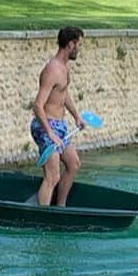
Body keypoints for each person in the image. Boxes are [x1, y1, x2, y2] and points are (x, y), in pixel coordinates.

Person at [30, 26, 86, 207]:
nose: (79, 49)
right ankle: (42, 218)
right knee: (52, 176)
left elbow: (63, 93)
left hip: (60, 126)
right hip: (45, 125)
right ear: (71, 44)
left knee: (74, 163)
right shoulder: (52, 70)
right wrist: (50, 133)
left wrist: (76, 116)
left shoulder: (64, 68)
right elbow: (38, 105)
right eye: (79, 45)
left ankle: (60, 208)